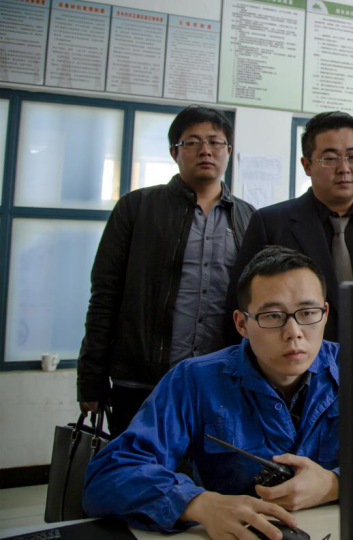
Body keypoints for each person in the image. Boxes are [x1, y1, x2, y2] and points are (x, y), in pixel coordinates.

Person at [83, 247, 339, 539]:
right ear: (242, 323)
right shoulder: (195, 379)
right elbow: (108, 476)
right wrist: (197, 503)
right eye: (272, 316)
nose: (293, 332)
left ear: (325, 314)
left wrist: (335, 484)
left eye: (307, 313)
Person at [77, 105, 255, 435]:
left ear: (228, 151)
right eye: (192, 142)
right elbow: (104, 297)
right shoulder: (136, 208)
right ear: (175, 152)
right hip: (143, 382)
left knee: (213, 467)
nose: (205, 150)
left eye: (215, 142)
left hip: (221, 382)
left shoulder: (248, 218)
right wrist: (91, 378)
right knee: (137, 465)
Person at [230, 111, 353, 343]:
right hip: (295, 355)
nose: (344, 168)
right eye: (330, 158)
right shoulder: (270, 223)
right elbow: (242, 304)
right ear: (307, 165)